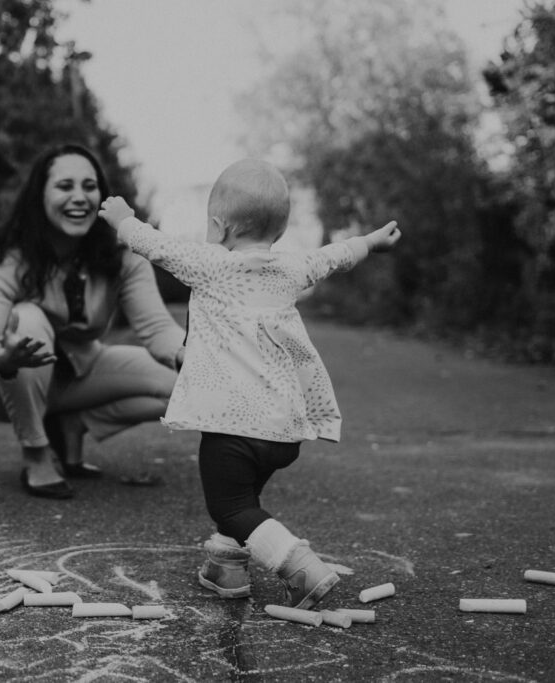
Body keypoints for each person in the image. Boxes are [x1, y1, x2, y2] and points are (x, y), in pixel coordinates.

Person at [99, 158, 401, 610]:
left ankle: (299, 565)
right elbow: (334, 256)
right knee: (244, 496)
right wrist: (372, 241)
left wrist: (123, 220)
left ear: (219, 227)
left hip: (232, 430)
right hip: (283, 430)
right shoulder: (291, 269)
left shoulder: (210, 265)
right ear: (277, 232)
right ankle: (227, 567)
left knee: (230, 507)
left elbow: (155, 246)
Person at [0, 144, 186, 500]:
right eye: (65, 186)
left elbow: (158, 329)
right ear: (40, 196)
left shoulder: (121, 255)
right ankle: (35, 451)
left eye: (89, 186)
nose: (79, 197)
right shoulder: (5, 262)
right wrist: (4, 360)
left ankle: (74, 426)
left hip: (79, 372)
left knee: (189, 383)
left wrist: (189, 356)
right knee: (29, 320)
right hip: (3, 385)